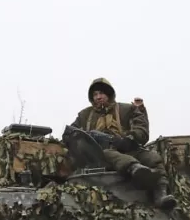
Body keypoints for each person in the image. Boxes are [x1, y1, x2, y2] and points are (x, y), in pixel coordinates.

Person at [70, 78, 176, 210]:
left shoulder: (126, 109)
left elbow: (141, 127)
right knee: (107, 153)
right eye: (95, 94)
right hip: (101, 155)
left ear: (109, 94)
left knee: (153, 158)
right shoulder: (84, 115)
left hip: (127, 148)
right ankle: (135, 168)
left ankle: (160, 195)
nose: (98, 97)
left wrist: (130, 138)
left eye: (101, 93)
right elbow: (73, 134)